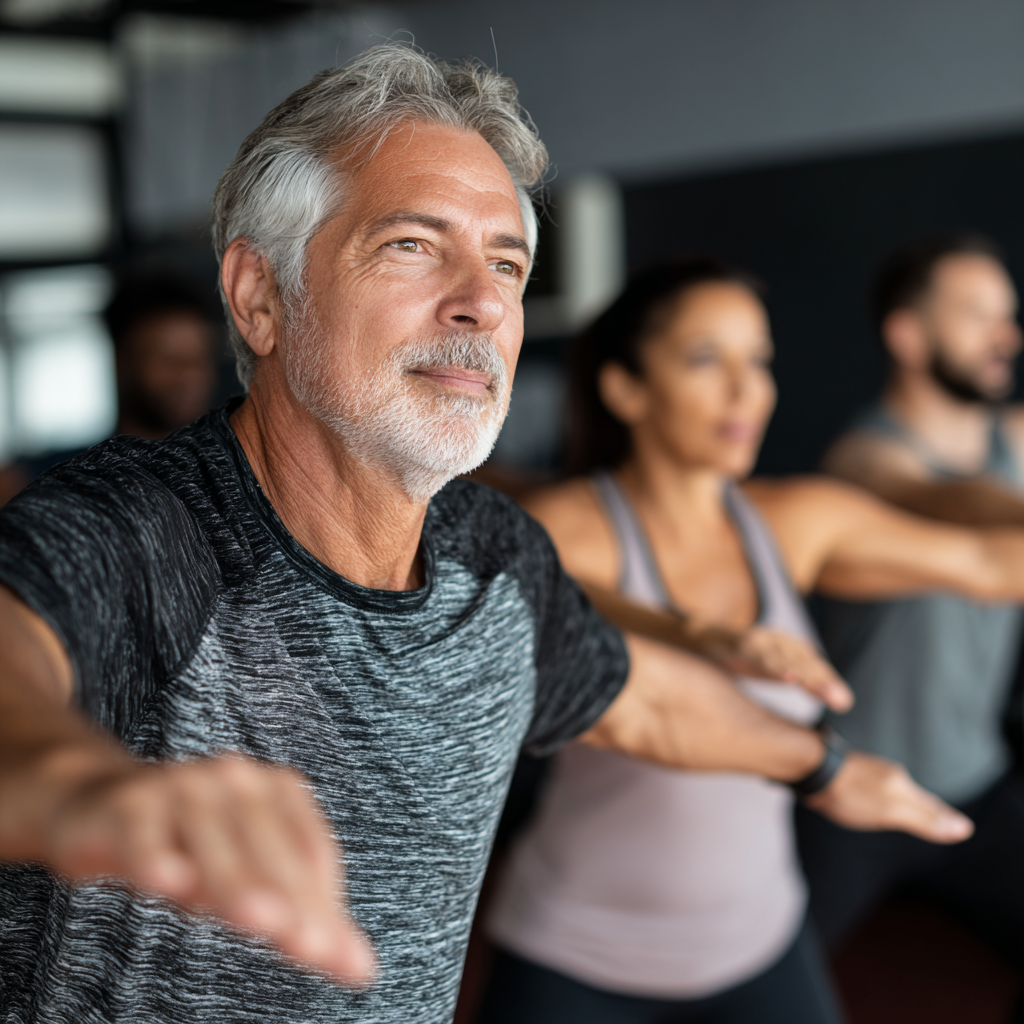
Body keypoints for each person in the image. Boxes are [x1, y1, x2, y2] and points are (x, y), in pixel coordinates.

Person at [0, 49, 965, 1024]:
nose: (484, 301)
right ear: (259, 298)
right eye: (413, 245)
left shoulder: (493, 554)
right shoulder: (144, 529)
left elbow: (643, 700)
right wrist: (73, 780)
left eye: (505, 261)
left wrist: (824, 765)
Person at [476, 256, 1024, 1024]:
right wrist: (699, 636)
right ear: (626, 388)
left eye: (759, 361)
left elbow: (983, 561)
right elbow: (577, 604)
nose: (747, 390)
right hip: (579, 947)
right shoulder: (574, 525)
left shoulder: (792, 523)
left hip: (758, 940)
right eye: (707, 359)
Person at [798, 237, 1024, 997]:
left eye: (1008, 315)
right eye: (977, 314)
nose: (1007, 335)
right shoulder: (864, 461)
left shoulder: (1013, 440)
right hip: (853, 790)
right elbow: (945, 502)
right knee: (754, 986)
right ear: (908, 335)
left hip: (978, 786)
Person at [0, 271, 219, 503]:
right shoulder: (55, 478)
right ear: (121, 361)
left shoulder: (226, 475)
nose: (189, 374)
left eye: (200, 357)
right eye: (167, 358)